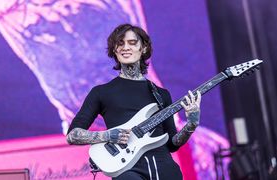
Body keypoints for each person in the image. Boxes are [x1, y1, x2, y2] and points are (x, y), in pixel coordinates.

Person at [66, 23, 202, 180]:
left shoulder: (160, 94)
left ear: (143, 48)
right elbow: (73, 135)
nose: (126, 47)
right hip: (128, 170)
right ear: (114, 51)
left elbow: (172, 144)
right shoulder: (101, 92)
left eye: (132, 43)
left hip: (165, 169)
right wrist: (108, 135)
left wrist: (191, 125)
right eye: (120, 43)